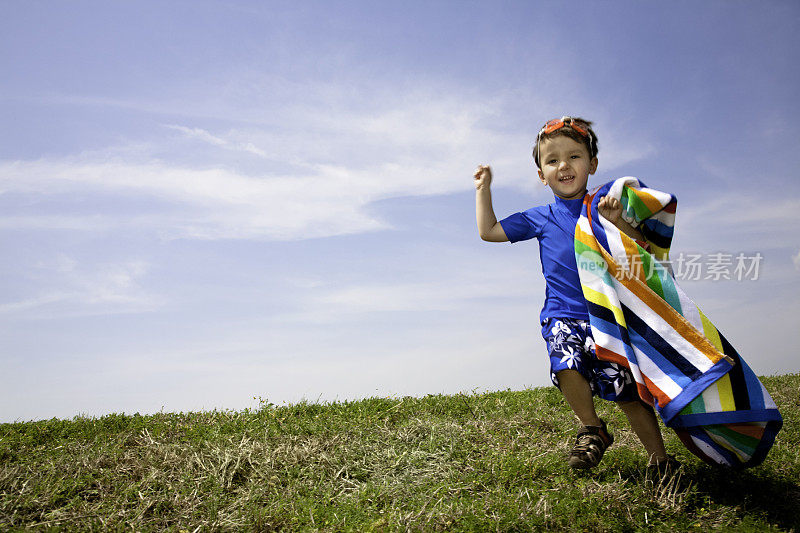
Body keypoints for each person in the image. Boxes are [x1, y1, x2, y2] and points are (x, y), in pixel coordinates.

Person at [474, 116, 673, 470]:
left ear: (592, 164)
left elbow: (641, 254)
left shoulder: (604, 206)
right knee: (565, 363)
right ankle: (592, 428)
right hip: (562, 313)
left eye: (574, 157)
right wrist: (483, 189)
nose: (563, 165)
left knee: (628, 394)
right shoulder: (541, 217)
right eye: (552, 161)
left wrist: (619, 223)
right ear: (541, 174)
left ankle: (659, 460)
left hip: (608, 318)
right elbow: (488, 231)